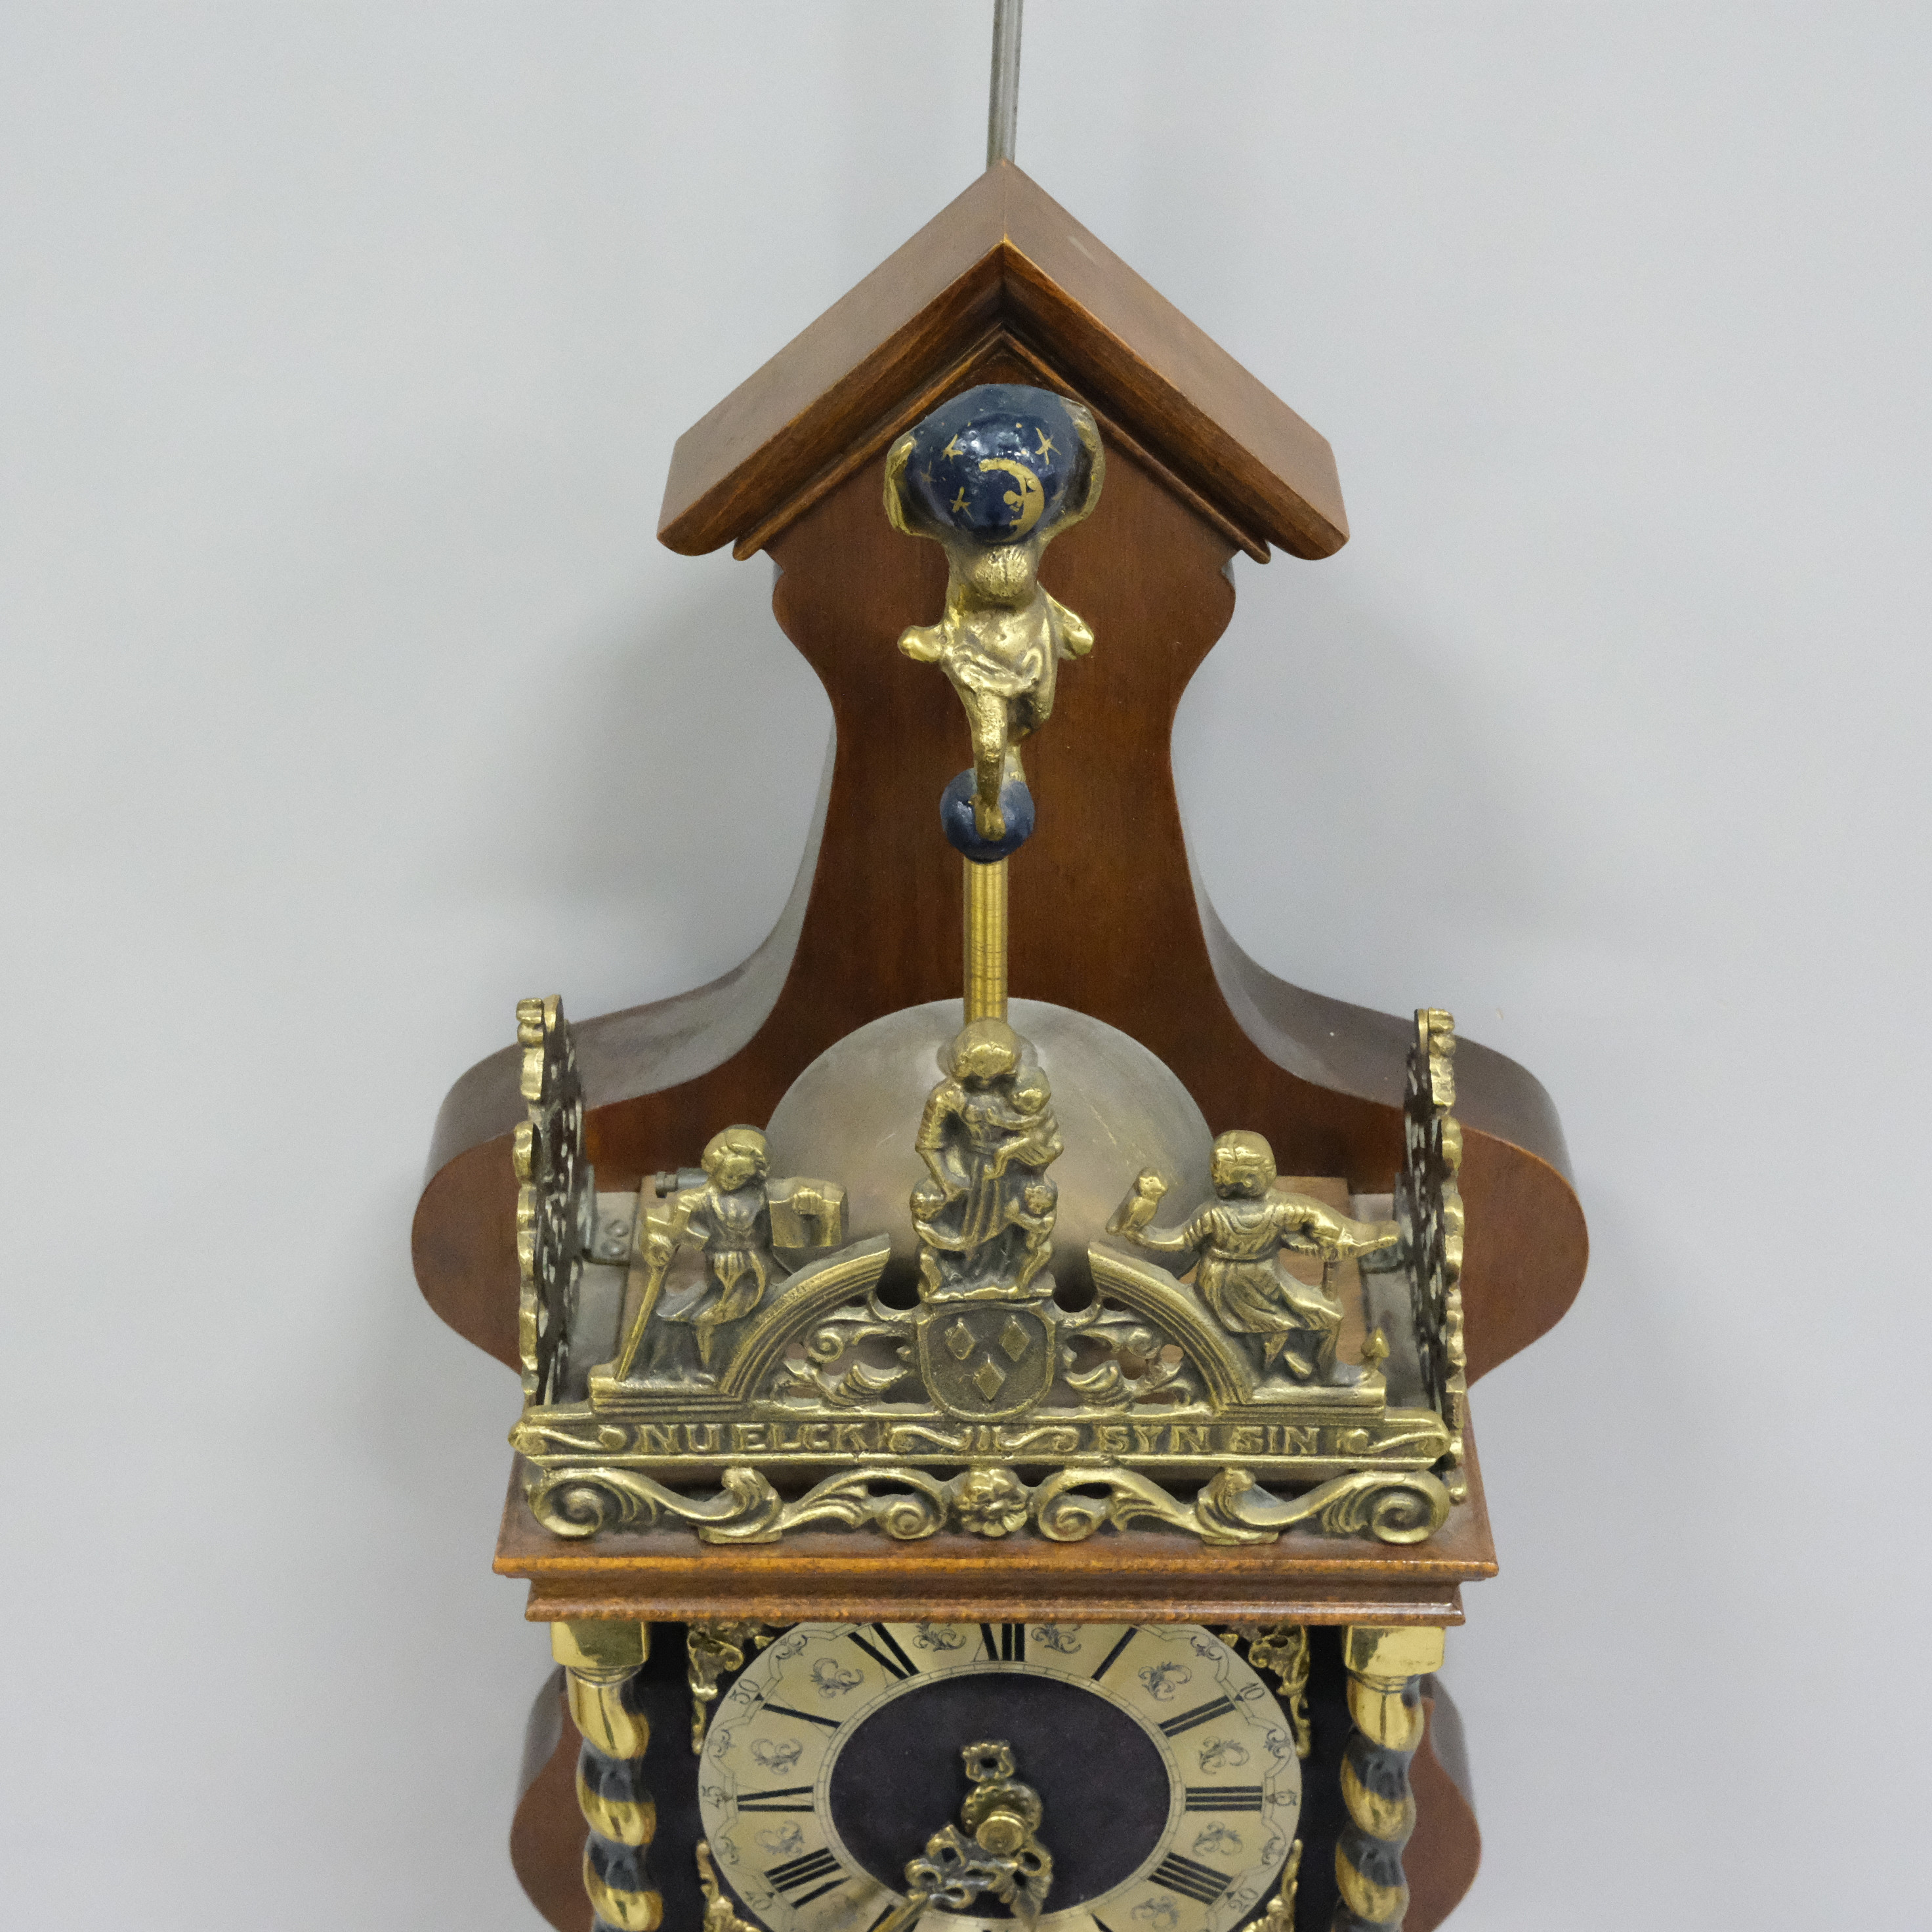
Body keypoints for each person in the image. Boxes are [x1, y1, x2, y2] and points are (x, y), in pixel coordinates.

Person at [1108, 1129, 1399, 1384]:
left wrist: (1352, 1237)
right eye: (1267, 1169)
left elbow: (1318, 1221)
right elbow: (1180, 1240)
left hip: (1262, 1282)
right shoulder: (1225, 1213)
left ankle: (1313, 1367)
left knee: (1327, 1315)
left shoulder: (1262, 1209)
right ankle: (1295, 1367)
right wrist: (1139, 1231)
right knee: (1318, 1317)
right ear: (1249, 1179)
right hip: (1229, 1288)